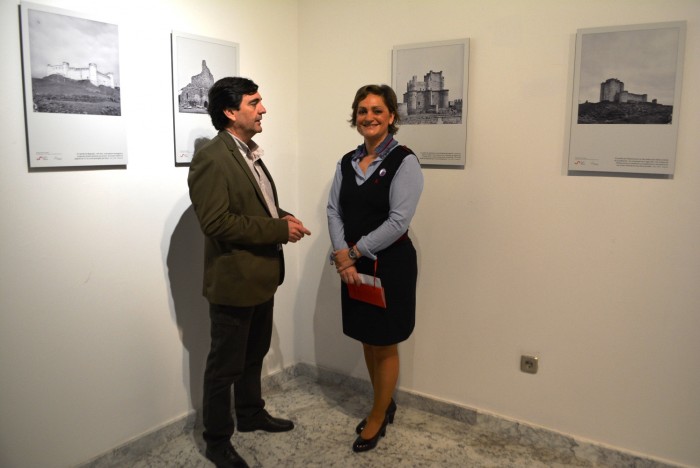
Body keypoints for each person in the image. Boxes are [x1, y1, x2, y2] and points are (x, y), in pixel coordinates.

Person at [188, 77, 311, 468]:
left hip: (259, 278)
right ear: (230, 111)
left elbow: (253, 204)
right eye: (255, 102)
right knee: (223, 367)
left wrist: (281, 215)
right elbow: (217, 222)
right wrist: (277, 229)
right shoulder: (213, 157)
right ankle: (217, 441)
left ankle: (251, 414)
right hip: (234, 283)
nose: (263, 109)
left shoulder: (247, 152)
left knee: (254, 353)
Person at [327, 84, 423, 452]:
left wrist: (353, 253)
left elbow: (398, 221)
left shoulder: (405, 161)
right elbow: (334, 210)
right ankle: (384, 401)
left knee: (384, 343)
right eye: (363, 110)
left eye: (377, 110)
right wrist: (341, 253)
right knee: (368, 338)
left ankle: (378, 415)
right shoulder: (347, 161)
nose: (369, 117)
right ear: (356, 117)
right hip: (352, 265)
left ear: (392, 117)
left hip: (390, 266)